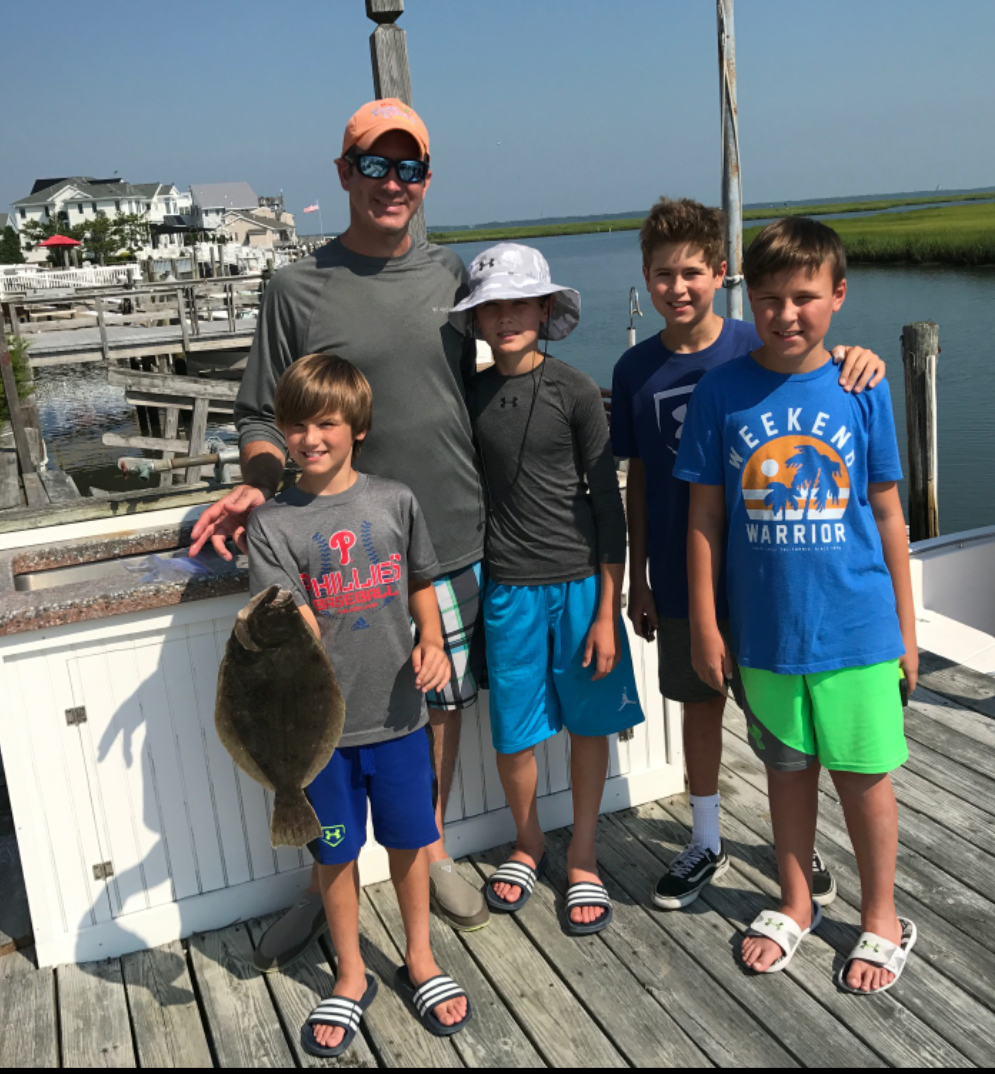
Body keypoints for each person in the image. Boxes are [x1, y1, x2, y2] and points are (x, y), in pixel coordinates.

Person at [189, 99, 491, 961]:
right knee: (322, 722)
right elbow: (259, 413)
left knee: (436, 702)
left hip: (447, 534)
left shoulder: (451, 276)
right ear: (344, 173)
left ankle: (425, 848)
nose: (392, 184)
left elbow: (489, 388)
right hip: (326, 552)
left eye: (409, 169)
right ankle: (323, 885)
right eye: (375, 165)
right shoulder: (295, 287)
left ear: (425, 181)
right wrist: (257, 486)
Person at [610, 198, 886, 911]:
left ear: (722, 275)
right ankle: (706, 837)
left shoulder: (752, 340)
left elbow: (817, 359)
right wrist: (640, 573)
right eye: (664, 275)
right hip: (683, 565)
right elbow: (639, 476)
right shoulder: (635, 367)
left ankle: (800, 847)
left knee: (797, 718)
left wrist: (863, 355)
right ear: (646, 279)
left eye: (692, 273)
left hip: (775, 572)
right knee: (700, 704)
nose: (678, 288)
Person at [675, 217, 918, 994]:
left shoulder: (864, 384)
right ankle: (796, 900)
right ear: (753, 297)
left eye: (805, 297)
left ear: (837, 297)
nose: (787, 314)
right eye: (772, 298)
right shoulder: (721, 390)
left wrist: (909, 633)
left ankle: (882, 916)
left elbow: (887, 514)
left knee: (862, 774)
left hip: (857, 628)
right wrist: (708, 623)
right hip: (766, 635)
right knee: (785, 771)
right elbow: (705, 518)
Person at [246, 353, 472, 1051]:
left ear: (357, 429)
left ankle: (420, 957)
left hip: (402, 718)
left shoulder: (395, 500)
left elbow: (421, 584)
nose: (309, 439)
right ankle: (350, 973)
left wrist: (433, 642)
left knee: (410, 844)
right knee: (334, 854)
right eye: (295, 426)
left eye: (325, 423)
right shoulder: (272, 524)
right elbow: (285, 621)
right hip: (318, 738)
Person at [452, 244, 641, 935]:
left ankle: (584, 854)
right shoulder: (465, 397)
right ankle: (529, 842)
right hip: (508, 590)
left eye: (518, 302)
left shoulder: (575, 391)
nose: (506, 316)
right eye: (491, 306)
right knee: (516, 734)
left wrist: (606, 609)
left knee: (589, 724)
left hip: (582, 589)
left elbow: (608, 508)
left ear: (544, 309)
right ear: (476, 319)